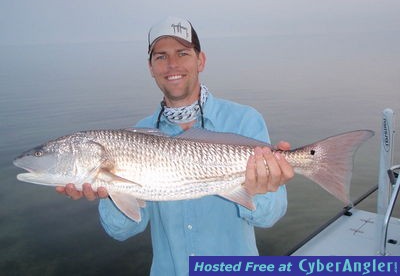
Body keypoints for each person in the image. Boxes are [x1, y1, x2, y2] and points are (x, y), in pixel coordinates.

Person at [56, 16, 294, 275]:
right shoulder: (134, 137)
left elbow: (269, 217)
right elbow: (122, 230)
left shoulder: (244, 119)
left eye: (182, 53)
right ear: (150, 67)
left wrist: (258, 190)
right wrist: (110, 192)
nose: (172, 64)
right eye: (161, 56)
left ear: (200, 60)